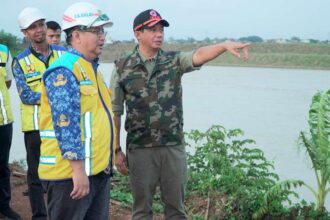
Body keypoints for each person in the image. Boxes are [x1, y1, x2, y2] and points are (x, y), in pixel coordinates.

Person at [110, 9, 250, 219]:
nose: (159, 34)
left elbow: (198, 55)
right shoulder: (122, 67)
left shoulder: (174, 61)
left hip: (172, 146)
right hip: (140, 148)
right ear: (137, 33)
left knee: (176, 210)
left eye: (161, 30)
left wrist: (222, 45)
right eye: (153, 29)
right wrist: (116, 150)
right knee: (141, 211)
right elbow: (115, 112)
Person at [38, 2, 116, 219]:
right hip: (70, 176)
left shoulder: (90, 68)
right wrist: (78, 170)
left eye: (103, 31)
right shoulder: (64, 70)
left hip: (97, 171)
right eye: (96, 31)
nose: (102, 37)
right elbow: (66, 124)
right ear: (77, 35)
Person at [12, 7, 66, 220]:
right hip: (35, 127)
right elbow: (25, 95)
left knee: (63, 173)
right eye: (32, 27)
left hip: (63, 125)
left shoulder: (64, 55)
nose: (38, 30)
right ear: (25, 33)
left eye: (40, 25)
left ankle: (60, 213)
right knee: (35, 176)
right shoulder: (21, 61)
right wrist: (56, 96)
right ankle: (39, 216)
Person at [0, 44, 21, 220]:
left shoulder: (4, 51)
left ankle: (3, 205)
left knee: (2, 166)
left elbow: (7, 81)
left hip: (3, 120)